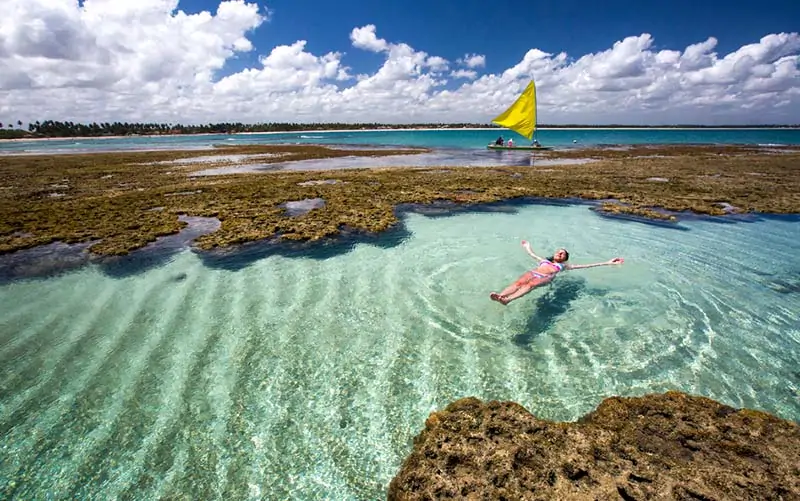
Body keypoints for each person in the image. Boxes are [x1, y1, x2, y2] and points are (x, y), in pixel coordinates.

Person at [489, 240, 624, 305]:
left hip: (546, 277)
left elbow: (586, 266)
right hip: (534, 272)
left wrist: (607, 262)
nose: (560, 253)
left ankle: (508, 300)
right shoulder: (544, 261)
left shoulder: (564, 266)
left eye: (563, 253)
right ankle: (500, 295)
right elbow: (532, 254)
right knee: (519, 282)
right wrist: (527, 247)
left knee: (529, 285)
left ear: (565, 258)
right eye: (558, 251)